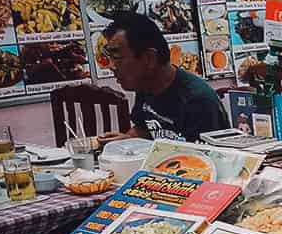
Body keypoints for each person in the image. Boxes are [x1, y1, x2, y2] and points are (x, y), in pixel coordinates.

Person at [97, 12, 228, 145]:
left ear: (149, 58)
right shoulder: (145, 84)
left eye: (117, 58)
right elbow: (143, 129)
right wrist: (126, 140)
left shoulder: (198, 100)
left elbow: (207, 159)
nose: (111, 66)